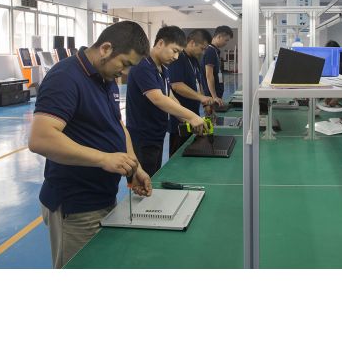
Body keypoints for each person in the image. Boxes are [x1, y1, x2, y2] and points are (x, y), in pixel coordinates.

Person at [29, 21, 153, 268]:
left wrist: (133, 166)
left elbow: (117, 125)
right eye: (125, 64)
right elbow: (40, 138)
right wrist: (103, 158)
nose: (125, 73)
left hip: (102, 198)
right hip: (76, 205)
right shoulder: (65, 77)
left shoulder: (105, 77)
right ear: (106, 49)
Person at [125, 26, 206, 176]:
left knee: (153, 177)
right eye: (174, 51)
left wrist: (186, 120)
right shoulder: (143, 66)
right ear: (160, 43)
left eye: (179, 53)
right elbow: (158, 99)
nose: (176, 57)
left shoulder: (163, 68)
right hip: (143, 137)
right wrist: (191, 117)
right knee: (143, 180)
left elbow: (170, 96)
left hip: (157, 133)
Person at [168, 29, 216, 156]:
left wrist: (205, 104)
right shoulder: (178, 58)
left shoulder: (194, 60)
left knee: (190, 153)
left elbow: (198, 83)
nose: (203, 52)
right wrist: (200, 98)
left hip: (193, 116)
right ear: (192, 43)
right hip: (180, 119)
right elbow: (176, 85)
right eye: (202, 48)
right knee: (178, 156)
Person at [202, 25, 233, 105]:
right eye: (226, 40)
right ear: (219, 36)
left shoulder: (215, 51)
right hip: (211, 97)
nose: (226, 43)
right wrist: (214, 96)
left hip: (215, 95)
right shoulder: (210, 51)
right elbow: (209, 75)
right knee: (212, 113)